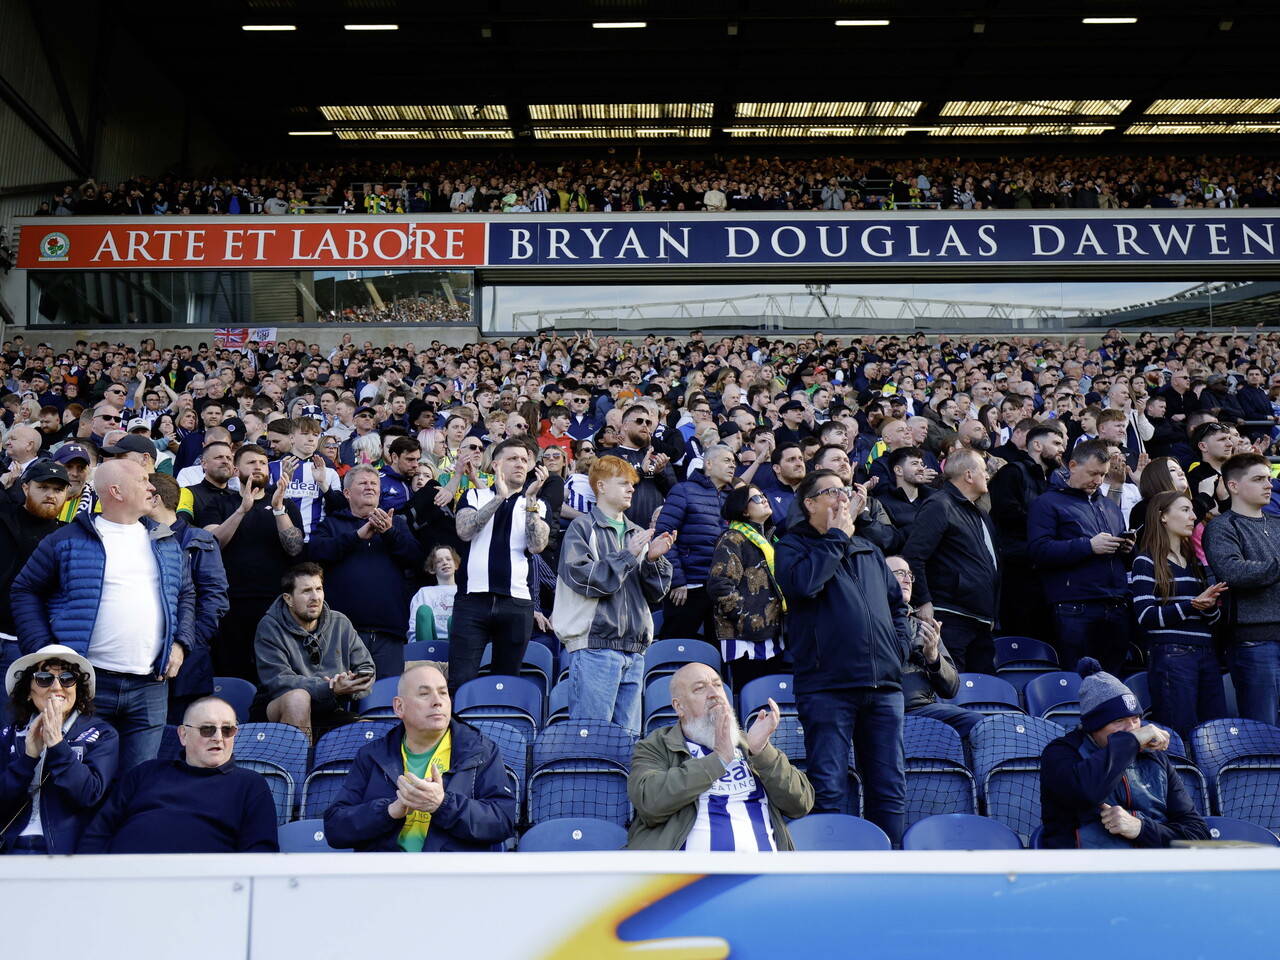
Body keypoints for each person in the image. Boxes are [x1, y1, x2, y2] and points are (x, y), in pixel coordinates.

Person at [12, 459, 194, 773]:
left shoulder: (165, 540)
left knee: (136, 784)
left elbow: (186, 594)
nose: (152, 487)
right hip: (86, 685)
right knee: (78, 782)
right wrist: (44, 650)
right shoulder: (66, 539)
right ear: (116, 491)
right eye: (142, 481)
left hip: (151, 687)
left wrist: (180, 643)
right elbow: (25, 589)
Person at [775, 469, 911, 844]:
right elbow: (803, 585)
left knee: (889, 788)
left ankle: (886, 874)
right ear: (810, 503)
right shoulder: (792, 545)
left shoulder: (868, 547)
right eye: (832, 491)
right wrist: (835, 537)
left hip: (883, 687)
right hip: (827, 687)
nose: (842, 498)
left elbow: (897, 607)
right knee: (830, 788)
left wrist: (898, 650)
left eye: (845, 491)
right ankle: (831, 876)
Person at [323, 663, 518, 852]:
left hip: (452, 876)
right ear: (399, 707)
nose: (437, 701)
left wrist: (442, 804)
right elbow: (335, 827)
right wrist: (389, 811)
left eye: (443, 692)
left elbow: (502, 821)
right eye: (424, 694)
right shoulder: (372, 755)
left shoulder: (480, 750)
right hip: (386, 875)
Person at [626, 662, 813, 850]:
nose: (714, 693)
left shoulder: (750, 744)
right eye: (700, 688)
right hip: (686, 876)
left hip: (763, 874)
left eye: (717, 685)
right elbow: (649, 802)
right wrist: (718, 760)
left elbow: (800, 803)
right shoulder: (657, 745)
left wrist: (762, 752)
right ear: (679, 707)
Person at [553, 456, 675, 736]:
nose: (631, 489)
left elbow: (656, 594)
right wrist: (629, 555)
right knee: (592, 742)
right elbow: (586, 579)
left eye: (632, 483)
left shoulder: (637, 533)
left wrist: (654, 560)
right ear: (601, 487)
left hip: (634, 650)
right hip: (595, 647)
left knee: (628, 744)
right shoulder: (581, 528)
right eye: (623, 483)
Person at [1040, 659, 1209, 848]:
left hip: (1155, 871)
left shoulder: (1155, 756)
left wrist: (1141, 828)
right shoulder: (1061, 753)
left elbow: (1198, 835)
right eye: (1119, 721)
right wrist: (1131, 742)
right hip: (1088, 871)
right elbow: (1087, 792)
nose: (1132, 729)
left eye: (1136, 718)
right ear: (1094, 727)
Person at [78, 695, 279, 853]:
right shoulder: (146, 772)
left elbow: (260, 855)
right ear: (183, 735)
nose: (218, 737)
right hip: (121, 886)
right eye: (207, 729)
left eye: (227, 730)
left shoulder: (251, 785)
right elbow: (98, 833)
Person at [449, 439, 550, 692]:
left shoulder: (535, 504)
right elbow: (464, 531)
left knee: (505, 684)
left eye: (525, 460)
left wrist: (530, 499)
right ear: (496, 464)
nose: (520, 464)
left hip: (516, 603)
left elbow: (537, 545)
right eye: (513, 458)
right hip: (472, 601)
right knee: (460, 682)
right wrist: (499, 498)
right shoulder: (474, 494)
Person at [198, 444, 304, 683]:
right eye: (251, 462)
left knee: (274, 673)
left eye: (263, 463)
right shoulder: (219, 504)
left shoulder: (286, 505)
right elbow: (212, 544)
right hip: (229, 603)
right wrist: (241, 511)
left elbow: (295, 548)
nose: (258, 467)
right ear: (236, 470)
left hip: (275, 603)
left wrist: (278, 510)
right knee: (231, 671)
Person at [1026, 439, 1133, 674]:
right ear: (1073, 466)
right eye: (1093, 473)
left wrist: (1126, 550)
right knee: (1078, 682)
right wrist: (1088, 546)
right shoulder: (1046, 503)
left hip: (1115, 604)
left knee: (1113, 682)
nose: (1098, 481)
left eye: (1103, 475)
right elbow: (1038, 551)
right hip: (1074, 607)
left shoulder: (1110, 506)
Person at [1, 644, 118, 854]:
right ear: (29, 691)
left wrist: (57, 744)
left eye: (67, 678)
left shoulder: (101, 734)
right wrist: (28, 758)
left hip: (67, 853)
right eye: (44, 678)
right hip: (10, 847)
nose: (56, 687)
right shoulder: (8, 736)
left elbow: (88, 795)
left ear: (77, 690)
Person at [309, 465, 424, 680]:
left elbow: (417, 559)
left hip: (389, 632)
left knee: (385, 700)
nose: (370, 488)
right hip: (341, 632)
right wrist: (356, 536)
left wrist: (389, 533)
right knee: (343, 701)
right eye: (363, 483)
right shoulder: (333, 523)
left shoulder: (396, 523)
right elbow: (316, 553)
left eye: (374, 484)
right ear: (346, 493)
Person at [1131, 491, 1228, 738]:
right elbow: (1145, 616)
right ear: (1163, 516)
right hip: (1171, 653)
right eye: (1184, 510)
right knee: (1180, 733)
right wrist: (1192, 605)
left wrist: (1208, 608)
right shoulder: (1146, 561)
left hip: (1206, 652)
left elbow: (1213, 621)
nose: (1193, 517)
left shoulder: (1195, 562)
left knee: (1215, 733)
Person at [901, 449, 1001, 674]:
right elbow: (913, 557)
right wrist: (923, 600)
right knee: (956, 691)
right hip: (950, 617)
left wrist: (992, 611)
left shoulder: (980, 513)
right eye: (983, 471)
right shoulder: (939, 504)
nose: (987, 476)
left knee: (983, 692)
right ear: (968, 475)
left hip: (981, 620)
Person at [254, 563, 375, 743]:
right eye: (306, 591)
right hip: (277, 707)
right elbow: (280, 682)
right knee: (298, 698)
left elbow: (366, 668)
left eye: (319, 589)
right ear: (288, 598)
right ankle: (296, 770)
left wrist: (349, 684)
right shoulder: (269, 626)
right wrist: (329, 688)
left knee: (371, 732)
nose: (315, 597)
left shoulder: (340, 622)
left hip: (329, 709)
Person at [1201, 452, 1280, 725]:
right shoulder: (1222, 527)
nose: (1268, 485)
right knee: (1264, 728)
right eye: (1258, 479)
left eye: (1268, 479)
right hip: (1253, 641)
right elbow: (1233, 572)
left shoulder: (1279, 523)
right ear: (1233, 486)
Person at [146, 472, 229, 722]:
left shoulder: (200, 540)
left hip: (189, 664)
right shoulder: (139, 537)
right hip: (147, 655)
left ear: (154, 498)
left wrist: (189, 643)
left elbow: (214, 599)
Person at [883, 556, 977, 737]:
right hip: (882, 710)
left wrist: (933, 658)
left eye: (910, 575)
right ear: (879, 578)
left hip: (923, 709)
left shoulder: (924, 628)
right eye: (900, 573)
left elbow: (951, 689)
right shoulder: (867, 621)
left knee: (978, 724)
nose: (908, 580)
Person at [989, 424, 1067, 641]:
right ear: (1036, 445)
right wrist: (1048, 524)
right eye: (1056, 443)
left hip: (1043, 567)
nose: (1062, 449)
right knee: (1019, 633)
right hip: (1016, 565)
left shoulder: (1055, 479)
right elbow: (1006, 511)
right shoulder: (1012, 472)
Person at [707, 484, 788, 689]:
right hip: (744, 637)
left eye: (764, 495)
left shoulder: (769, 538)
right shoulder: (733, 537)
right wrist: (746, 618)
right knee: (751, 699)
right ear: (744, 509)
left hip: (772, 635)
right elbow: (720, 585)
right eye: (757, 499)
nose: (765, 500)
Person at [654, 444, 735, 641]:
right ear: (709, 463)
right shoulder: (683, 490)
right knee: (675, 645)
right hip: (688, 588)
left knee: (716, 653)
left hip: (721, 589)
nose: (733, 466)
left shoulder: (733, 498)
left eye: (734, 462)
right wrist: (678, 580)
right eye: (727, 461)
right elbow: (664, 536)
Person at [0, 461, 70, 684]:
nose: (51, 495)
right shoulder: (2, 518)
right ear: (25, 488)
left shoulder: (69, 536)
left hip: (25, 645)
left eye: (58, 490)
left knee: (9, 718)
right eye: (43, 487)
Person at [407, 546, 460, 644]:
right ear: (432, 568)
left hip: (457, 643)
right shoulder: (424, 592)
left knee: (454, 619)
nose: (445, 562)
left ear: (456, 564)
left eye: (448, 559)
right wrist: (414, 647)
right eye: (439, 561)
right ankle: (425, 653)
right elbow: (415, 623)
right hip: (430, 642)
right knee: (423, 610)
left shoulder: (463, 592)